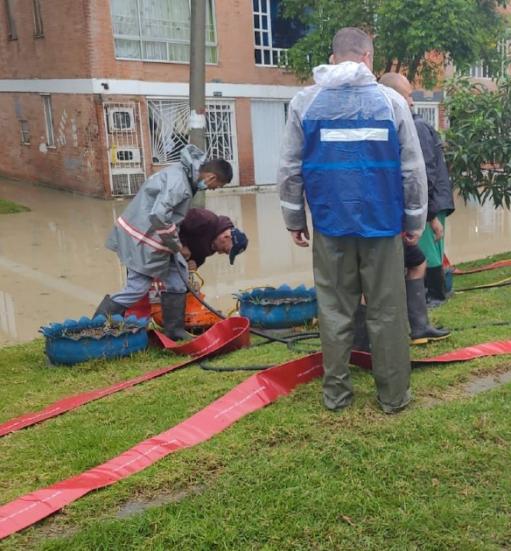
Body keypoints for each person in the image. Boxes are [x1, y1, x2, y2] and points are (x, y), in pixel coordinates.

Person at [278, 27, 428, 414]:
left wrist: (294, 217)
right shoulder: (391, 102)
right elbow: (412, 169)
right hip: (383, 226)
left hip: (330, 226)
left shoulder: (305, 103)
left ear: (333, 57)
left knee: (334, 309)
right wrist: (415, 219)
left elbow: (290, 168)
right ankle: (393, 396)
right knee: (387, 311)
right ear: (367, 58)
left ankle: (337, 395)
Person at [94, 145, 233, 340]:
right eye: (217, 185)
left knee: (179, 277)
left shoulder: (185, 176)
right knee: (137, 288)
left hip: (159, 239)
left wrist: (174, 246)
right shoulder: (179, 183)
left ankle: (174, 330)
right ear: (211, 177)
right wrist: (175, 245)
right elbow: (159, 215)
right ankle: (97, 326)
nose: (214, 189)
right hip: (143, 238)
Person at [371, 72, 452, 343]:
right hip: (384, 222)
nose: (412, 102)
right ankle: (373, 339)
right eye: (408, 96)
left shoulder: (386, 123)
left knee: (415, 261)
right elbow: (419, 174)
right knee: (383, 273)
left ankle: (417, 326)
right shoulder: (405, 126)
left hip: (385, 218)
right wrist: (429, 217)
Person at [178, 207, 249, 271]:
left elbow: (200, 256)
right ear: (226, 237)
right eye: (224, 250)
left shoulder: (215, 245)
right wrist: (183, 245)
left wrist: (195, 263)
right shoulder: (206, 219)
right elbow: (175, 220)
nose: (220, 253)